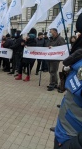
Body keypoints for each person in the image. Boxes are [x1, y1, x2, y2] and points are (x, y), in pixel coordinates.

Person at [53, 16, 82, 149]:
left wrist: (74, 144)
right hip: (63, 133)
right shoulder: (77, 60)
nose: (78, 36)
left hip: (70, 140)